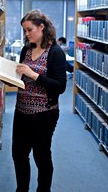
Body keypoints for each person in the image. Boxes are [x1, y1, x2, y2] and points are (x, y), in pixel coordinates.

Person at [13, 10, 67, 192]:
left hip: (44, 114)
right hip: (21, 112)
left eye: (29, 30)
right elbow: (22, 78)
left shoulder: (56, 53)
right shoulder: (26, 49)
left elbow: (60, 86)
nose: (27, 34)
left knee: (41, 156)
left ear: (41, 27)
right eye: (25, 31)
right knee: (18, 155)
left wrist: (34, 75)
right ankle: (22, 189)